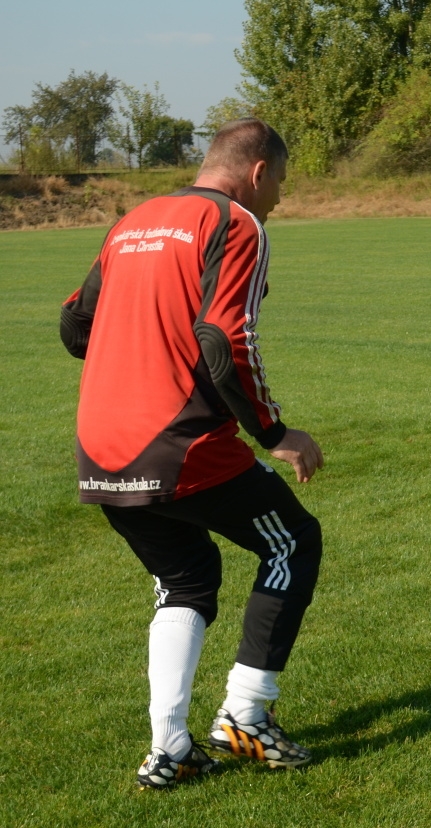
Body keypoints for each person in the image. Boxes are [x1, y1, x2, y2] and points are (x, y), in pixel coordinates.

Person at [60, 118, 325, 789]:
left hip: (99, 445)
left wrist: (137, 351)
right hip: (176, 439)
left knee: (185, 579)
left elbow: (74, 324)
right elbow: (222, 338)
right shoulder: (235, 223)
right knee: (292, 539)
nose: (280, 200)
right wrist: (275, 433)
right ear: (259, 171)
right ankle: (246, 716)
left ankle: (170, 747)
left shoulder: (135, 220)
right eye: (281, 184)